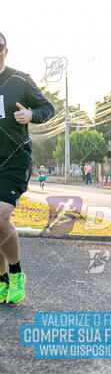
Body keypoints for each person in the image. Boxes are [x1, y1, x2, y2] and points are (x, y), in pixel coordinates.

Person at [0, 32, 55, 304]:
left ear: (6, 51)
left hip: (15, 161)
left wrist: (32, 115)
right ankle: (1, 281)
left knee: (0, 215)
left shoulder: (20, 79)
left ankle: (16, 273)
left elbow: (48, 107)